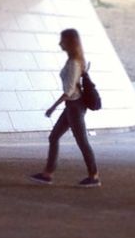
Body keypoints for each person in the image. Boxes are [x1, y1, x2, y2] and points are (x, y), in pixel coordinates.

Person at [29, 27, 101, 187]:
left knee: (82, 141)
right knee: (54, 137)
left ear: (69, 42)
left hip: (75, 105)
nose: (60, 43)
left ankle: (94, 176)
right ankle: (47, 174)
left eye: (62, 40)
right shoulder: (73, 60)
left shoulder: (74, 63)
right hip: (72, 105)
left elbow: (69, 91)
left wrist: (52, 107)